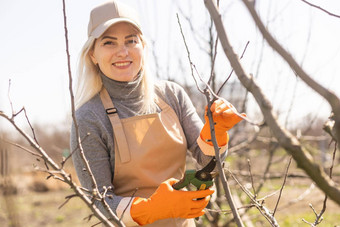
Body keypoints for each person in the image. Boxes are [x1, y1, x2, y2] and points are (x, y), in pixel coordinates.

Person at [70, 0, 245, 226]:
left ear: (143, 46)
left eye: (131, 40)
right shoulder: (88, 117)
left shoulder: (171, 95)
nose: (122, 52)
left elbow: (208, 161)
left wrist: (217, 130)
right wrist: (150, 209)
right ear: (93, 54)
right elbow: (99, 202)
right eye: (109, 42)